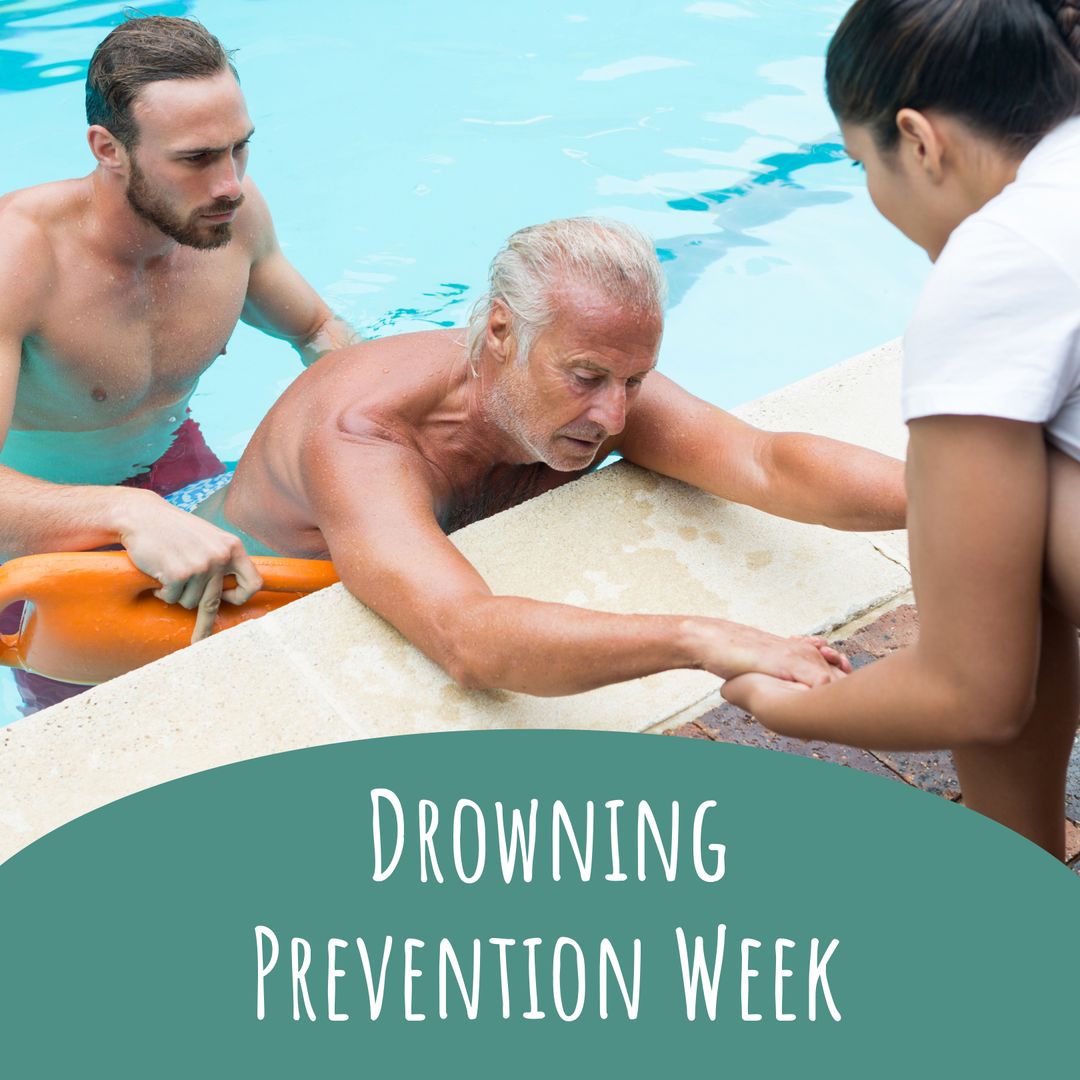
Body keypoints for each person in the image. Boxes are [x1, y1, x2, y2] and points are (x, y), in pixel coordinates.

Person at [195, 216, 906, 697]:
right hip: (228, 587)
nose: (614, 416)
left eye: (634, 381)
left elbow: (763, 463)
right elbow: (467, 639)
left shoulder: (590, 373)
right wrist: (704, 639)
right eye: (587, 377)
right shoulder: (366, 436)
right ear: (501, 332)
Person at [721, 0, 1080, 859]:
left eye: (860, 165)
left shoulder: (999, 258)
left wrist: (784, 706)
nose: (873, 194)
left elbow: (972, 692)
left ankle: (1011, 887)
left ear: (918, 141)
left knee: (995, 513)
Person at [0, 16, 357, 711]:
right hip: (35, 520)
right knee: (99, 720)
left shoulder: (231, 219)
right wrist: (125, 512)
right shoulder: (20, 260)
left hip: (177, 464)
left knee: (272, 673)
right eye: (196, 159)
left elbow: (318, 331)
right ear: (108, 149)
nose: (230, 184)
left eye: (239, 148)